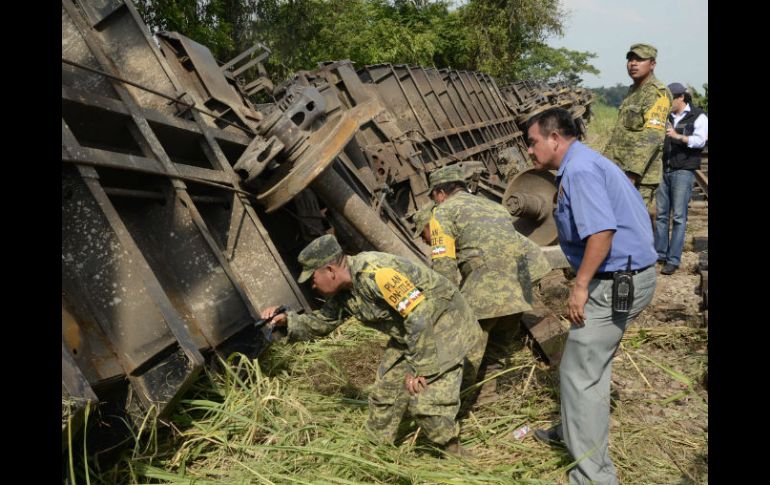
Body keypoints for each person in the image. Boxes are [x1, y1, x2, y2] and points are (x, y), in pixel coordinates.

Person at [526, 108, 658, 485]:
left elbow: (601, 232)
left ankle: (593, 476)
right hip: (628, 275)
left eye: (533, 143)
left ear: (555, 138)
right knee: (589, 367)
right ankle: (574, 431)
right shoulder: (586, 161)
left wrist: (580, 284)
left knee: (579, 373)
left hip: (617, 281)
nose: (530, 153)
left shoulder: (580, 171)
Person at [260, 234, 482, 456]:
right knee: (385, 394)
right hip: (410, 332)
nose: (313, 285)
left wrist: (420, 369)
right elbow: (322, 323)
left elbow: (420, 315)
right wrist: (287, 320)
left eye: (313, 277)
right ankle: (376, 451)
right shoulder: (344, 293)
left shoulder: (377, 273)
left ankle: (456, 455)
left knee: (426, 403)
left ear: (330, 271)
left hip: (443, 325)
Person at [425, 165, 551, 403]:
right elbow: (523, 247)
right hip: (518, 288)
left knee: (467, 355)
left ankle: (458, 407)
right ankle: (488, 399)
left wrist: (443, 308)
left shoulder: (442, 212)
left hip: (484, 291)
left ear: (440, 193)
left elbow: (443, 266)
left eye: (434, 196)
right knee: (497, 351)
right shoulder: (495, 207)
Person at [603, 43, 672, 211]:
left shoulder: (657, 93)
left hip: (638, 178)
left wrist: (631, 175)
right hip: (618, 172)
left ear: (652, 64)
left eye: (639, 59)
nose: (633, 63)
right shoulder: (633, 91)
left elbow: (652, 137)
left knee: (633, 226)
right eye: (630, 59)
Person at [655, 82, 709, 275]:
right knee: (661, 215)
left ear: (681, 98)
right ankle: (660, 254)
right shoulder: (665, 116)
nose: (667, 102)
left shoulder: (699, 116)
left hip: (684, 171)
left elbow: (700, 141)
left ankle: (673, 259)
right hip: (664, 169)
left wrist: (677, 136)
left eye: (671, 98)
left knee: (678, 217)